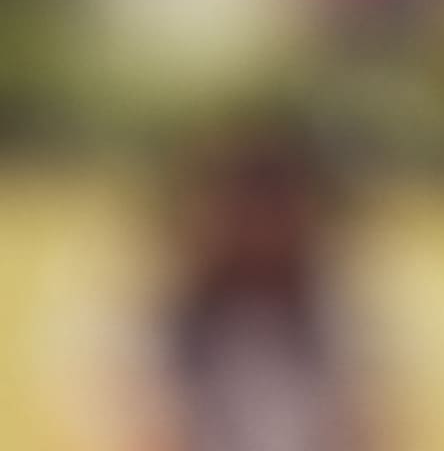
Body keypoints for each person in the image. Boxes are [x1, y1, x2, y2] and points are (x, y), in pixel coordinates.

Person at [134, 119, 384, 451]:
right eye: (246, 213)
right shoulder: (166, 320)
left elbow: (372, 425)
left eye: (275, 211)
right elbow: (146, 427)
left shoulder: (344, 320)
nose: (260, 233)